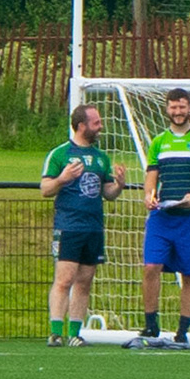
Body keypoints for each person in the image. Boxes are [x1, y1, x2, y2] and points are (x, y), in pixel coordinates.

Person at [40, 103, 125, 347]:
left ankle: (75, 333)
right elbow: (45, 189)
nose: (100, 127)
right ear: (81, 126)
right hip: (69, 226)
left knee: (85, 281)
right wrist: (62, 179)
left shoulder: (100, 158)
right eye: (96, 123)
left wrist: (119, 185)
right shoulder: (60, 154)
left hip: (93, 227)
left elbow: (107, 193)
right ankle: (56, 332)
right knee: (64, 279)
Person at [141, 88, 190, 343]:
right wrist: (149, 196)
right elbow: (151, 177)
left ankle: (182, 331)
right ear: (167, 109)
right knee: (151, 267)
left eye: (182, 107)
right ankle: (151, 325)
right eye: (174, 107)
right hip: (162, 217)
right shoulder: (158, 142)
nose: (178, 112)